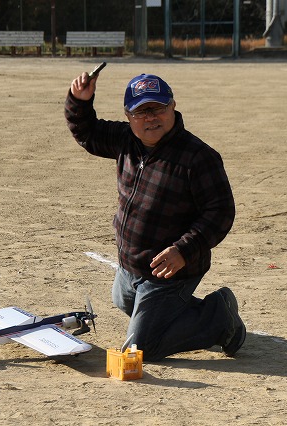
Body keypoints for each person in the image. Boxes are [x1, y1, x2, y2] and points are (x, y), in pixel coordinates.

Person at [65, 71, 245, 361]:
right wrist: (79, 100)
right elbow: (87, 132)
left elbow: (221, 212)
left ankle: (218, 316)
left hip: (172, 271)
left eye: (158, 108)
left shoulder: (198, 157)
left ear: (172, 106)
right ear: (128, 116)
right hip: (132, 264)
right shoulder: (125, 140)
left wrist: (184, 250)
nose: (151, 118)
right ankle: (191, 312)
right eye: (141, 111)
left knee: (141, 347)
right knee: (123, 301)